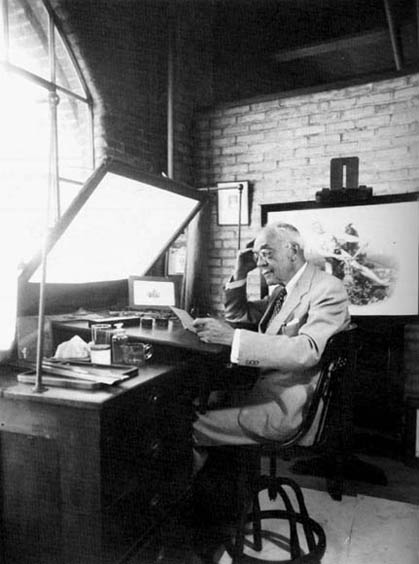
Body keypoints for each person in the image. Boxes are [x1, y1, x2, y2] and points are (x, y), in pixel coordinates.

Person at [192, 222, 350, 460]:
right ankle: (229, 492)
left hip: (289, 409)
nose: (259, 262)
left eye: (266, 253)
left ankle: (192, 495)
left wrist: (231, 337)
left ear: (293, 251)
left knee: (186, 426)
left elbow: (307, 350)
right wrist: (240, 272)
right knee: (194, 404)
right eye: (256, 256)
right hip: (264, 391)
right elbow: (238, 315)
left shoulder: (327, 289)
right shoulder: (281, 292)